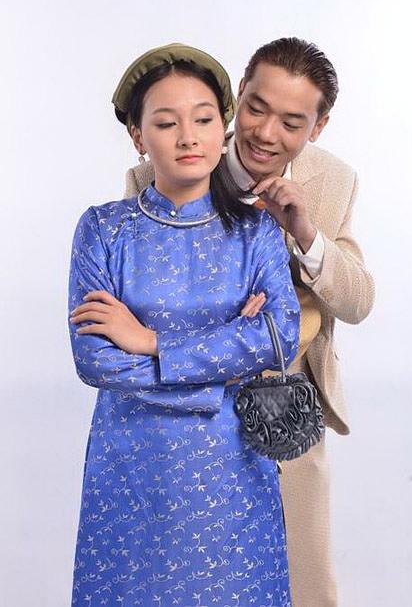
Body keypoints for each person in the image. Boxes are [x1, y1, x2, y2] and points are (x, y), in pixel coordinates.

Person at [125, 37, 375, 607]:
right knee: (189, 574)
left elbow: (358, 302)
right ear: (239, 93)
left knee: (303, 580)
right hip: (189, 404)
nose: (265, 133)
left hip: (285, 404)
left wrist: (305, 234)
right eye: (257, 108)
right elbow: (145, 303)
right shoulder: (162, 169)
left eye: (292, 122)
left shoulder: (333, 180)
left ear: (319, 126)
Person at [68, 43, 300, 607]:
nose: (188, 138)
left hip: (233, 464)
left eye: (203, 120)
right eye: (167, 123)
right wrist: (223, 372)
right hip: (132, 465)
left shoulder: (256, 233)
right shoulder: (103, 230)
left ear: (223, 130)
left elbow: (278, 337)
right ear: (138, 136)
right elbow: (96, 361)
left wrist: (149, 341)